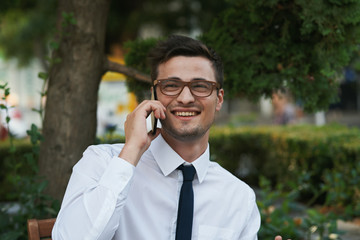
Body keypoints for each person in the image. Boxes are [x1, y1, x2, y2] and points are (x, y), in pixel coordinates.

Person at [52, 35, 288, 240]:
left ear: (219, 99)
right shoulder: (103, 163)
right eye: (171, 85)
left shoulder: (238, 197)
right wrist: (132, 150)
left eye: (201, 86)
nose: (185, 97)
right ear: (153, 96)